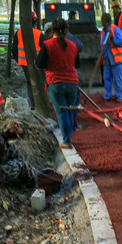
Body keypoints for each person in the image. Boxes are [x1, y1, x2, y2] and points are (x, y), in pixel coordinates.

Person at [35, 17, 80, 149]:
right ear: (66, 30)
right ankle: (69, 138)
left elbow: (39, 64)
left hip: (56, 84)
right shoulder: (73, 46)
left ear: (52, 30)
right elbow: (77, 64)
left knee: (62, 114)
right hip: (72, 83)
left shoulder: (47, 45)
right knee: (70, 111)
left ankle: (67, 141)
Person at [11, 11, 44, 110]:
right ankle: (41, 103)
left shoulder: (18, 33)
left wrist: (19, 60)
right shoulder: (39, 34)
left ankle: (32, 105)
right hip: (38, 64)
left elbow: (14, 49)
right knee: (40, 82)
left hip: (25, 64)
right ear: (35, 21)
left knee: (30, 83)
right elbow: (45, 49)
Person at [99, 12, 122, 102]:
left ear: (106, 22)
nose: (101, 22)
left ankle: (119, 96)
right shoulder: (103, 32)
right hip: (107, 60)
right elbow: (103, 46)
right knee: (107, 78)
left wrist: (112, 38)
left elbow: (121, 43)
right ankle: (107, 95)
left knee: (118, 79)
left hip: (116, 60)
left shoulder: (115, 30)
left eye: (102, 21)